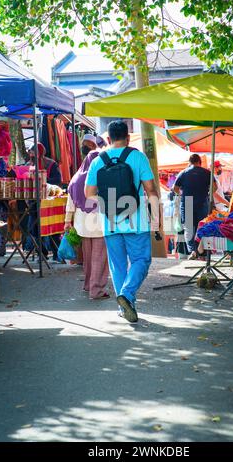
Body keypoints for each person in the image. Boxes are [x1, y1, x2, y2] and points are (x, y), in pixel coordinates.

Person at [85, 121, 160, 323]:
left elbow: (89, 194)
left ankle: (124, 306)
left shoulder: (97, 161)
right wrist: (156, 219)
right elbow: (151, 190)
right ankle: (127, 295)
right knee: (141, 261)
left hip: (110, 223)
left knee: (118, 266)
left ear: (108, 139)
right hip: (137, 222)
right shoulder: (138, 157)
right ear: (128, 137)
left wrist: (109, 204)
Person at [65, 140, 109, 300]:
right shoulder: (102, 177)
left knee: (88, 259)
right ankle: (96, 290)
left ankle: (88, 285)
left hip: (82, 225)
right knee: (100, 258)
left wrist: (67, 221)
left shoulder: (76, 178)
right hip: (99, 225)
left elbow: (70, 203)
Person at [26, 142, 62, 260]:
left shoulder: (51, 164)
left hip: (48, 201)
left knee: (52, 228)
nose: (31, 154)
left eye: (33, 151)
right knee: (34, 227)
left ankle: (57, 253)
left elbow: (57, 180)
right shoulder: (29, 165)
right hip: (33, 201)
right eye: (30, 152)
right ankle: (41, 252)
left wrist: (42, 180)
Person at [173, 154, 211, 260]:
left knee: (189, 228)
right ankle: (202, 252)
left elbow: (175, 188)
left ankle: (193, 251)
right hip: (202, 201)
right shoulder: (207, 173)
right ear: (200, 162)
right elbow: (215, 187)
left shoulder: (184, 172)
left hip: (188, 202)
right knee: (202, 227)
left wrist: (181, 195)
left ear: (190, 162)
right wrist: (207, 194)